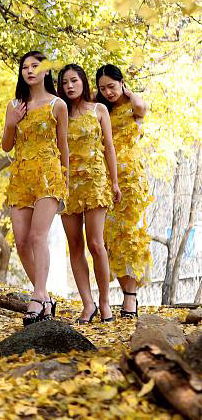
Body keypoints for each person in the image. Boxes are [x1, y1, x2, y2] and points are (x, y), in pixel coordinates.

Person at [1, 51, 69, 326]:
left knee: (38, 236)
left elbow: (63, 146)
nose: (29, 71)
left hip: (48, 175)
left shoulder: (58, 105)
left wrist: (66, 182)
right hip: (21, 175)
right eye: (25, 67)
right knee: (21, 241)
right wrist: (11, 123)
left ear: (46, 72)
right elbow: (7, 145)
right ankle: (46, 298)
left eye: (35, 66)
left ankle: (38, 295)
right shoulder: (15, 104)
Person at [58, 64, 120, 323]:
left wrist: (115, 182)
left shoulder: (99, 110)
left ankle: (105, 303)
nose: (69, 86)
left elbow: (109, 148)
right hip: (68, 186)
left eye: (74, 80)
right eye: (64, 83)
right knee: (75, 246)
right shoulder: (59, 112)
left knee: (95, 243)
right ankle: (87, 304)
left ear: (83, 82)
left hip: (95, 182)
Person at [96, 64, 151, 318]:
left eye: (112, 86)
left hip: (131, 180)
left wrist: (128, 92)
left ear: (122, 83)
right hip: (105, 179)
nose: (108, 92)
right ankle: (117, 295)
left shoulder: (133, 106)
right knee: (111, 239)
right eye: (102, 88)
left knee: (130, 236)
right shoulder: (100, 110)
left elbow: (141, 105)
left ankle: (131, 298)